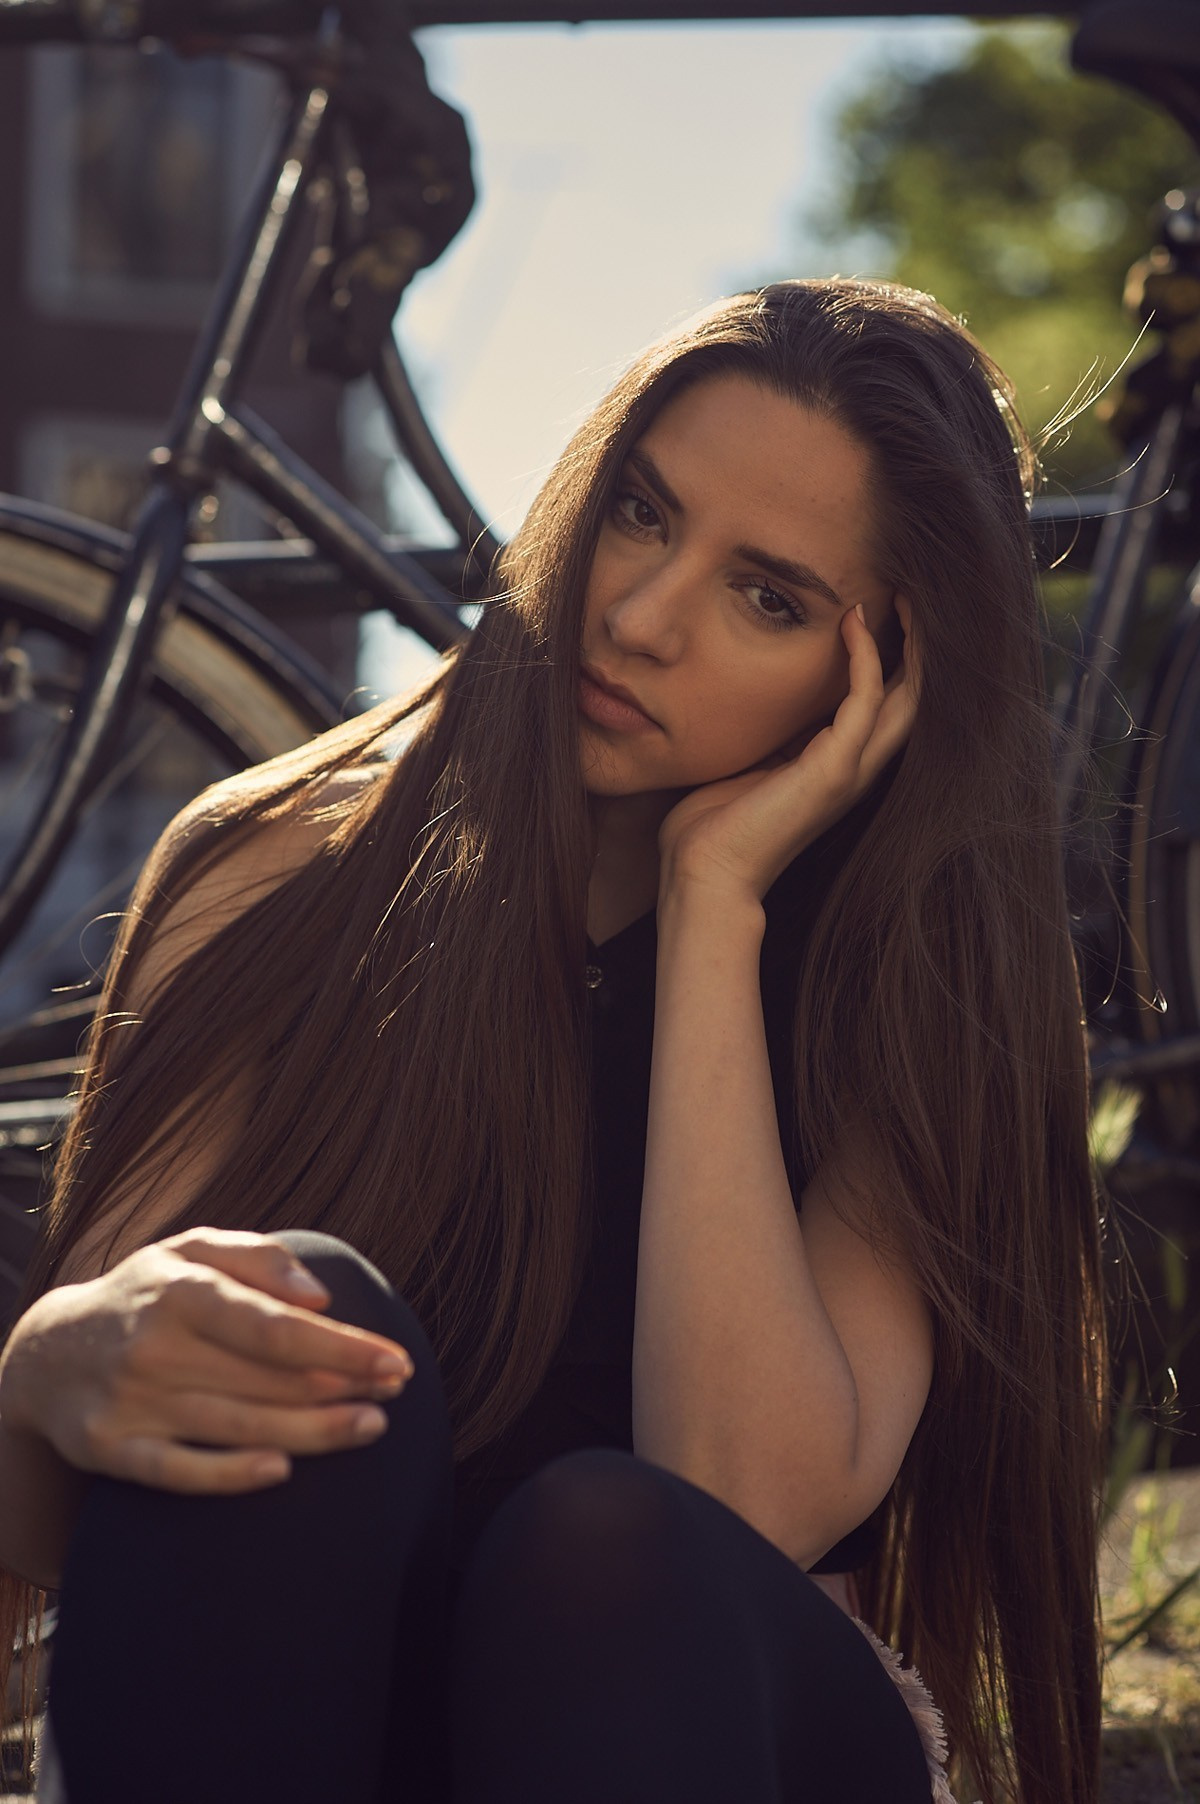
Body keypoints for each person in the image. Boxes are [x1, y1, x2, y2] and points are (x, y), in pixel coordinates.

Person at [0, 277, 1106, 1804]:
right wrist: (49, 1364)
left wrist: (715, 909)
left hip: (716, 1728)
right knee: (294, 1334)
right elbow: (110, 1461)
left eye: (767, 597)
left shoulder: (916, 982)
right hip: (319, 1734)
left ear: (891, 680)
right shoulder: (276, 868)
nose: (638, 616)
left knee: (608, 1542)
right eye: (642, 514)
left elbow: (739, 1498)